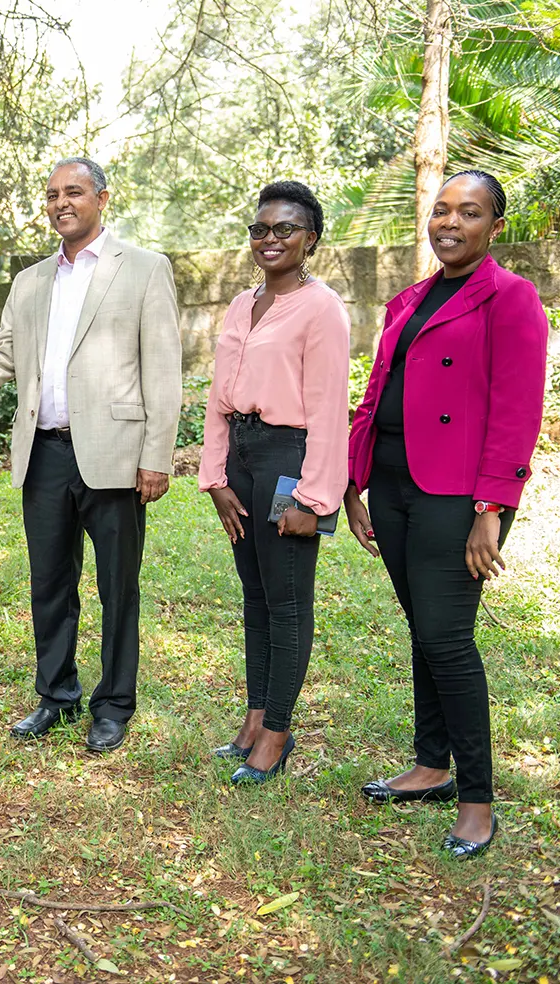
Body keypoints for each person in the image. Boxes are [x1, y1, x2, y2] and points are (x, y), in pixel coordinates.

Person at [0, 156, 182, 753]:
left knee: (118, 588)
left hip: (115, 455)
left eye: (75, 192)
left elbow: (164, 368)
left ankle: (114, 705)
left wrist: (156, 456)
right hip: (44, 455)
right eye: (53, 194)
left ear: (102, 199)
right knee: (50, 584)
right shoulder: (31, 281)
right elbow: (2, 357)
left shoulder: (144, 268)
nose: (62, 203)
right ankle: (57, 696)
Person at [345, 170, 548, 858]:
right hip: (395, 483)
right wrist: (354, 481)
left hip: (458, 494)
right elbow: (376, 394)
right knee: (425, 630)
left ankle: (476, 799)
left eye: (469, 212)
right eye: (441, 210)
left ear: (496, 226)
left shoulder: (511, 297)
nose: (450, 223)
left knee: (447, 638)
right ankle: (431, 765)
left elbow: (517, 410)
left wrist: (492, 508)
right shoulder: (410, 299)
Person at [197, 181, 351, 784]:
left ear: (310, 239)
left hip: (290, 456)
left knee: (286, 600)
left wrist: (313, 498)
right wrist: (216, 476)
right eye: (260, 229)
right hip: (241, 456)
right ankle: (255, 716)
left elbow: (330, 410)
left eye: (285, 229)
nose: (270, 239)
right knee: (255, 594)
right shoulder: (242, 304)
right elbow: (218, 396)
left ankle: (277, 733)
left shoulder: (322, 308)